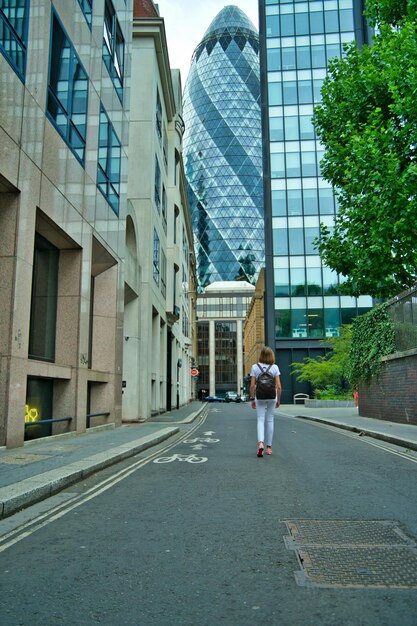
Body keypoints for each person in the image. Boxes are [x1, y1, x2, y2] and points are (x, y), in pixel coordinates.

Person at [249, 346, 282, 457]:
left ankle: (260, 443)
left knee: (260, 419)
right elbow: (278, 386)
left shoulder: (255, 367)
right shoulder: (275, 367)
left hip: (260, 396)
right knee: (270, 420)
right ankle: (269, 447)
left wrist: (252, 399)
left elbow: (252, 385)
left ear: (261, 355)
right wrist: (278, 399)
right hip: (272, 396)